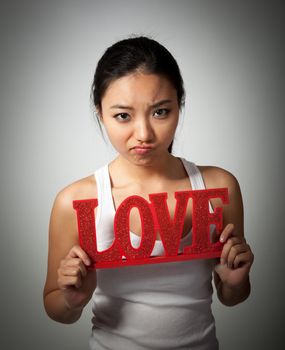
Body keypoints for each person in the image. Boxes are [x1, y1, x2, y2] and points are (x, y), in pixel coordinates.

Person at [43, 35, 254, 350]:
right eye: (123, 116)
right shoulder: (73, 201)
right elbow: (55, 305)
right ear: (100, 113)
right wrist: (73, 299)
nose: (143, 134)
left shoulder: (218, 187)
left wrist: (235, 283)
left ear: (179, 105)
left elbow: (231, 296)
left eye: (160, 112)